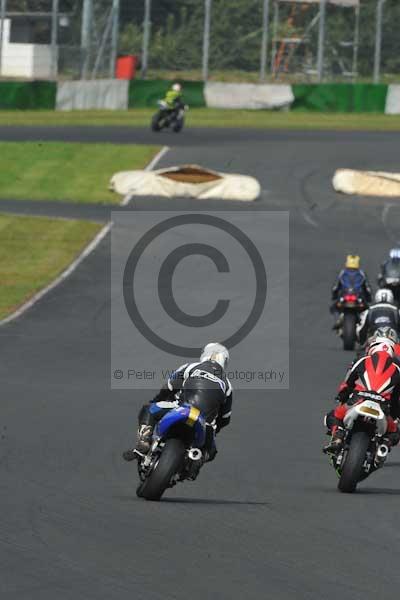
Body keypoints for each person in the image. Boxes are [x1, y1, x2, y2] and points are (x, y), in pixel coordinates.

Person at [123, 342, 232, 462]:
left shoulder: (190, 367)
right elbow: (225, 418)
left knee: (148, 409)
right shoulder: (227, 385)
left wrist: (157, 400)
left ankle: (143, 442)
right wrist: (214, 430)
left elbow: (169, 387)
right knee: (210, 452)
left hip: (182, 408)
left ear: (205, 355)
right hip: (205, 422)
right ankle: (194, 463)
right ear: (224, 361)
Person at [323, 333, 400, 455]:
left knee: (333, 416)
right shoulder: (397, 369)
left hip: (359, 399)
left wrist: (341, 396)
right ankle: (383, 448)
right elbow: (396, 399)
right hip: (382, 405)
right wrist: (395, 416)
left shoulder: (363, 361)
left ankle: (338, 437)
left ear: (373, 347)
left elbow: (347, 384)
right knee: (394, 431)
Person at [331, 255, 372, 329]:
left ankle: (338, 319)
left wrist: (334, 296)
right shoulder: (361, 273)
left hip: (345, 296)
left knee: (334, 307)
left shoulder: (343, 273)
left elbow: (335, 287)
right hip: (357, 296)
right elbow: (367, 288)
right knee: (368, 309)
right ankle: (365, 324)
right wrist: (369, 298)